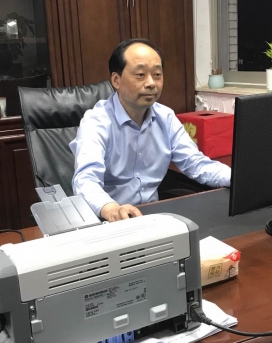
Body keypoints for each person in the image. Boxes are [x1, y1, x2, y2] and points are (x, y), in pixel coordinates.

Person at [70, 39, 231, 221]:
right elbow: (86, 180)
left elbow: (196, 164)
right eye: (140, 75)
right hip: (107, 219)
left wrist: (239, 178)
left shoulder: (165, 117)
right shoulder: (96, 121)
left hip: (152, 216)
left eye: (157, 75)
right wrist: (110, 208)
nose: (151, 83)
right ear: (116, 80)